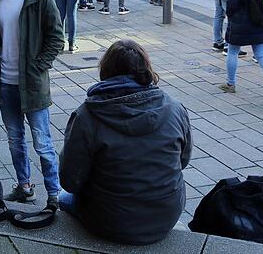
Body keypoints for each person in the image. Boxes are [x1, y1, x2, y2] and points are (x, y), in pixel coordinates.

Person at [59, 40, 192, 245]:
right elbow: (182, 161)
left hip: (110, 220)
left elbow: (70, 181)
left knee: (62, 197)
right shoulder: (175, 108)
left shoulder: (87, 115)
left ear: (105, 69)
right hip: (166, 213)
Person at [0, 0, 64, 209]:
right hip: (5, 83)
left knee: (43, 142)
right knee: (15, 139)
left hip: (32, 84)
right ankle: (24, 186)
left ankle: (54, 193)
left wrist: (38, 66)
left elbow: (56, 38)